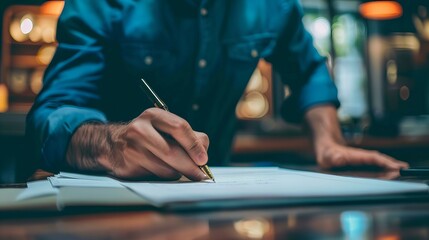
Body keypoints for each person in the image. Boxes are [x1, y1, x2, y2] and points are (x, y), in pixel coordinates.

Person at [26, 0, 408, 181]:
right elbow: (49, 116)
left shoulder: (272, 6)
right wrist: (113, 143)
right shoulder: (99, 4)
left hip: (218, 194)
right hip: (110, 202)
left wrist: (328, 141)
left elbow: (308, 70)